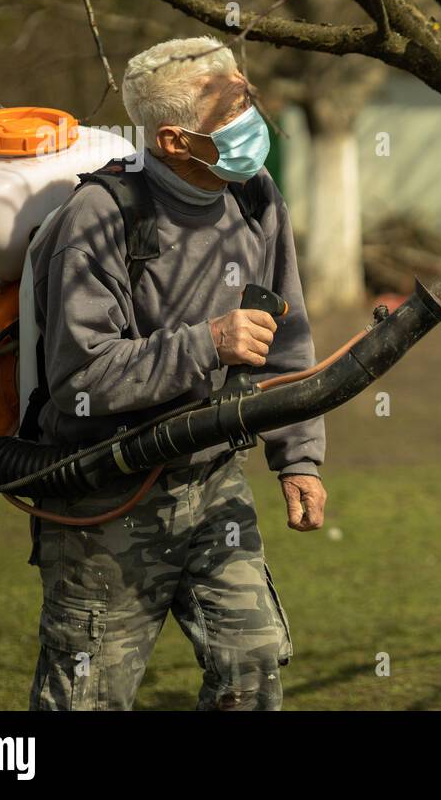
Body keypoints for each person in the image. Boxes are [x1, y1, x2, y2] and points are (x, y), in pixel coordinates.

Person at [23, 36, 328, 710]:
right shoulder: (99, 218)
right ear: (172, 138)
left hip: (214, 481)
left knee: (251, 662)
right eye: (231, 113)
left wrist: (300, 458)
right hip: (105, 494)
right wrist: (209, 343)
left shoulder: (254, 195)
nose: (254, 123)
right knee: (89, 695)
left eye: (248, 99)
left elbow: (289, 338)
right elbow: (82, 382)